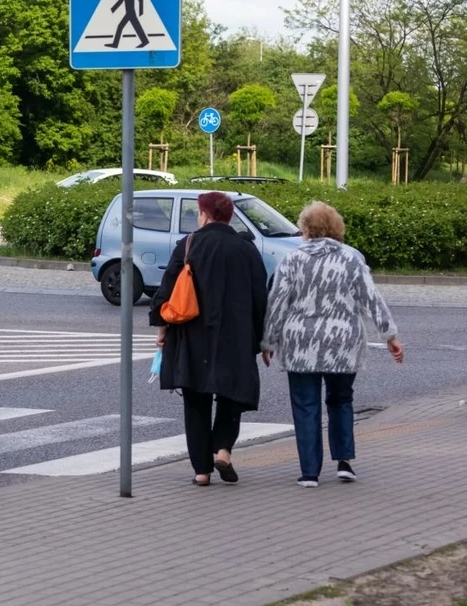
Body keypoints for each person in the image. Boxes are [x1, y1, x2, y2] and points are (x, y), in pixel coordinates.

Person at [262, 201, 404, 488]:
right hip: (343, 342)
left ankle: (309, 472)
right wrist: (390, 335)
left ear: (305, 228)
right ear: (336, 228)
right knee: (341, 400)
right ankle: (344, 462)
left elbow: (277, 303)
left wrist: (268, 340)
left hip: (301, 342)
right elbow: (371, 300)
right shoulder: (352, 259)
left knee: (305, 405)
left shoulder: (292, 259)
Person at [150, 192, 268, 486]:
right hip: (236, 337)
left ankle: (201, 471)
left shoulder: (188, 245)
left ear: (204, 215)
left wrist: (162, 331)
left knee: (195, 400)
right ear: (229, 217)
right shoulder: (246, 249)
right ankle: (223, 451)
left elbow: (165, 292)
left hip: (192, 336)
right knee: (232, 395)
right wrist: (265, 340)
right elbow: (260, 299)